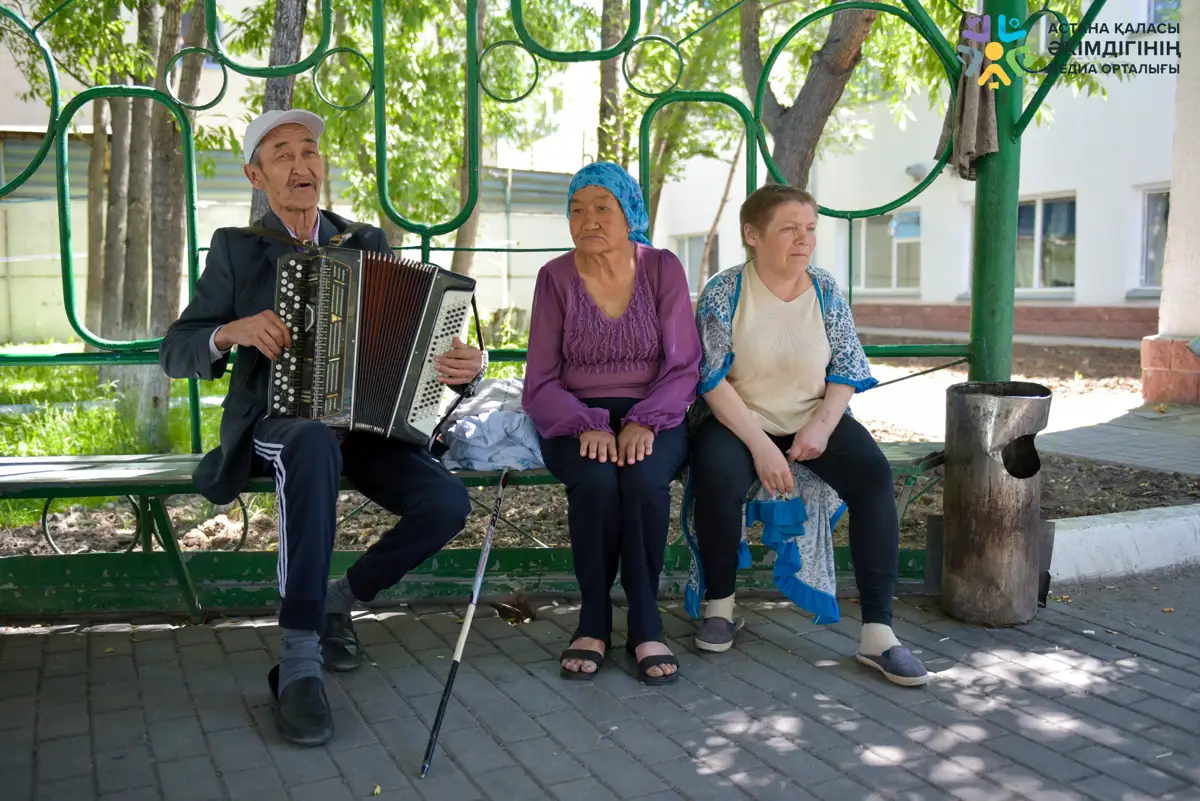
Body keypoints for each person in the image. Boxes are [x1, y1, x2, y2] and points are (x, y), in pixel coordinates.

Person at [159, 109, 485, 745]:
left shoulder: (364, 242)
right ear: (257, 174)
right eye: (282, 154)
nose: (301, 163)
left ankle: (342, 598)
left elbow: (414, 349)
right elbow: (177, 348)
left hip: (364, 427)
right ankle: (300, 657)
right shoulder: (236, 248)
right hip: (277, 426)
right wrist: (232, 330)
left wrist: (463, 366)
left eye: (309, 150)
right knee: (307, 441)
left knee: (446, 501)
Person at [687, 183, 929, 687]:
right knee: (716, 476)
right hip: (738, 421)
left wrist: (821, 425)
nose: (804, 239)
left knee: (871, 474)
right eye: (789, 229)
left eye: (811, 229)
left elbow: (846, 365)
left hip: (811, 417)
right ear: (752, 235)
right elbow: (711, 380)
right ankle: (720, 605)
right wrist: (759, 447)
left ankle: (878, 633)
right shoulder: (724, 291)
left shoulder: (824, 288)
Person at [522, 162, 701, 685]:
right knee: (597, 483)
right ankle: (593, 619)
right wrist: (586, 424)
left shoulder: (662, 267)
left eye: (603, 208)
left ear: (630, 215)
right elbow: (541, 378)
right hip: (574, 416)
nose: (588, 220)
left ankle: (646, 621)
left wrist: (645, 420)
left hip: (656, 411)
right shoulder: (554, 277)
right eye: (577, 209)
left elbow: (683, 364)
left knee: (646, 481)